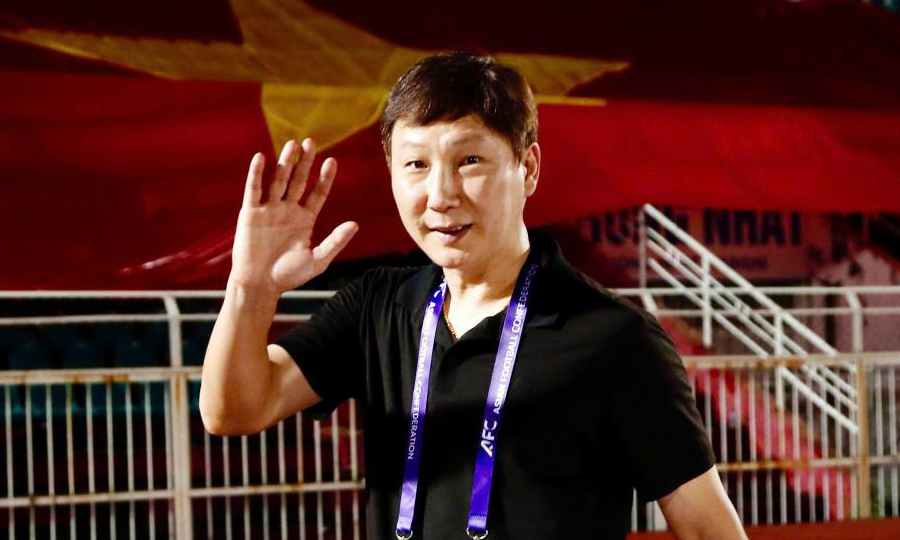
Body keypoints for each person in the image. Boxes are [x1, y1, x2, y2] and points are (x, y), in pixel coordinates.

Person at [199, 52, 747, 539]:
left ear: (527, 167)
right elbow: (235, 410)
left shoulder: (613, 338)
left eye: (469, 161)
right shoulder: (378, 306)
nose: (440, 195)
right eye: (416, 165)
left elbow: (707, 528)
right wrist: (250, 289)